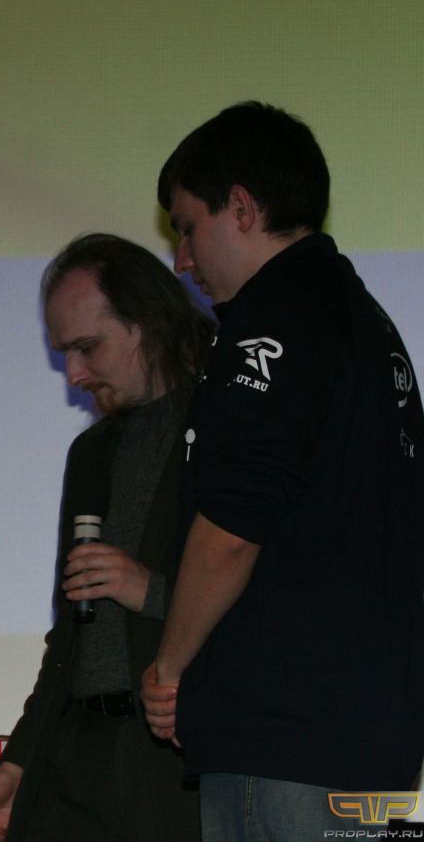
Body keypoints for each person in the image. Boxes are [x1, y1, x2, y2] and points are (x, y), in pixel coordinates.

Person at [142, 102, 424, 839]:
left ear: (241, 208)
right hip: (367, 739)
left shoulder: (273, 321)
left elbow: (233, 529)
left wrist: (170, 667)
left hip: (280, 736)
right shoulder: (366, 321)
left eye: (187, 227)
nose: (181, 259)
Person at [0, 233, 211, 841]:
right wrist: (18, 761)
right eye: (65, 353)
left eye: (87, 347)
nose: (73, 375)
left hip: (180, 763)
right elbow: (70, 633)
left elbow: (275, 599)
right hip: (80, 760)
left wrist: (150, 590)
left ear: (145, 324)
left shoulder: (228, 430)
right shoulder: (93, 453)